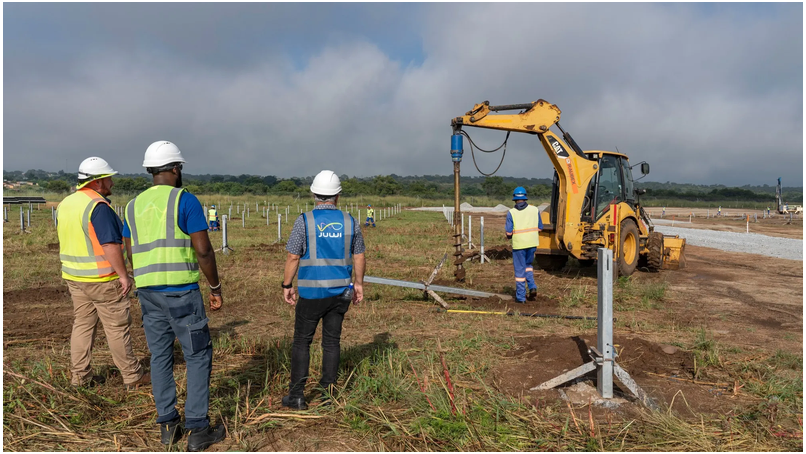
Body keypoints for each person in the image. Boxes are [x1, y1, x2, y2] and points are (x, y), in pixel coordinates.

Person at [123, 141, 225, 451]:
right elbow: (203, 249)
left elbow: (130, 251)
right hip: (181, 291)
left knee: (160, 358)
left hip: (148, 293)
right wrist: (215, 287)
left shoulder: (131, 206)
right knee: (197, 357)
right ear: (176, 169)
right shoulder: (186, 200)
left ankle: (168, 426)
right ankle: (197, 429)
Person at [56, 157, 150, 390]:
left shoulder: (67, 203)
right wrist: (123, 275)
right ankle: (132, 376)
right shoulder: (98, 206)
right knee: (117, 327)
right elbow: (109, 245)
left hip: (75, 278)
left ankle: (80, 377)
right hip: (102, 279)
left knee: (83, 325)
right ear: (97, 182)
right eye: (108, 178)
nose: (112, 183)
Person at [281, 170, 366, 410]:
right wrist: (358, 284)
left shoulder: (304, 221)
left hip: (311, 294)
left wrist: (287, 284)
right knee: (331, 343)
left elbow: (292, 256)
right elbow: (358, 255)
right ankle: (329, 394)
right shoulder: (350, 221)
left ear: (314, 194)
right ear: (337, 195)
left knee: (302, 343)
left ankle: (297, 396)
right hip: (340, 294)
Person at [505, 187, 542, 303]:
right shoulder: (535, 210)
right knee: (528, 265)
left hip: (519, 245)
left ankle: (521, 297)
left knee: (520, 271)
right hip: (532, 243)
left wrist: (510, 236)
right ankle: (532, 286)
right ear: (525, 197)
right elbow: (540, 228)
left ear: (514, 199)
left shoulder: (511, 212)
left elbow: (508, 232)